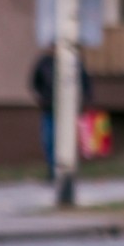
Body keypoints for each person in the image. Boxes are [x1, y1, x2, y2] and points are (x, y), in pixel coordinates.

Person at [30, 49, 92, 180]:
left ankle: (68, 171)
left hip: (70, 110)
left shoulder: (73, 62)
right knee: (49, 140)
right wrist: (40, 98)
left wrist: (85, 100)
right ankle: (53, 171)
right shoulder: (44, 62)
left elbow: (85, 82)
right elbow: (34, 82)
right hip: (50, 108)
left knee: (68, 140)